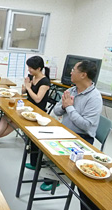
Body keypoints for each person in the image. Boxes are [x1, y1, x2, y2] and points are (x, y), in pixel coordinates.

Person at [54, 60, 102, 210]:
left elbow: (86, 125)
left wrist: (69, 107)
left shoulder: (94, 97)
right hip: (65, 134)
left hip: (82, 139)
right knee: (37, 140)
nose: (70, 72)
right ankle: (50, 175)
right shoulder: (73, 90)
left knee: (85, 180)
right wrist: (63, 105)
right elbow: (56, 111)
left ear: (83, 75)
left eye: (73, 69)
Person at [0, 56, 50, 150]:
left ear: (39, 68)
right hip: (27, 107)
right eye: (28, 67)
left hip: (36, 112)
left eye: (31, 68)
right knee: (5, 117)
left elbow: (38, 99)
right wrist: (24, 89)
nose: (29, 70)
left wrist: (28, 87)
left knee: (12, 123)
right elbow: (26, 94)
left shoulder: (45, 82)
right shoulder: (31, 77)